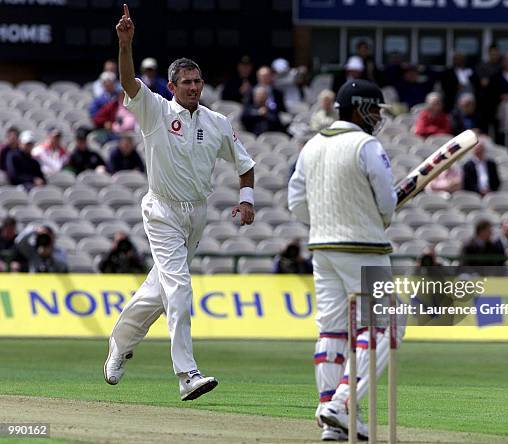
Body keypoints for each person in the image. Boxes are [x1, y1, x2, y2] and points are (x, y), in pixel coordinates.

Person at [105, 5, 255, 403]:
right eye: (185, 82)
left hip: (196, 214)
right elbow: (127, 81)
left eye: (197, 81)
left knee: (157, 293)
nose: (193, 87)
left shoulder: (216, 121)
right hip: (162, 209)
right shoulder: (155, 109)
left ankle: (119, 343)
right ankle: (187, 373)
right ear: (172, 86)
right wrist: (125, 44)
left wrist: (246, 200)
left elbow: (246, 165)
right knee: (179, 289)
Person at [289, 79, 404, 441]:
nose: (376, 118)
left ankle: (330, 420)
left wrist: (325, 222)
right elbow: (386, 202)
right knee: (386, 326)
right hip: (365, 249)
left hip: (322, 248)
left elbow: (295, 203)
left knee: (332, 329)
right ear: (357, 108)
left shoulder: (311, 145)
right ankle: (339, 405)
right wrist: (375, 219)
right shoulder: (366, 145)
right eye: (373, 110)